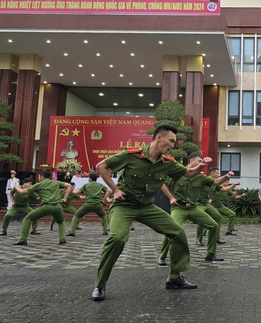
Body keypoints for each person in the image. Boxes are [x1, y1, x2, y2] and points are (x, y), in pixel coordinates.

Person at [92, 125, 212, 301]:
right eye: (171, 141)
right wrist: (115, 190)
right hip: (125, 205)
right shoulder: (131, 155)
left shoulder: (168, 163)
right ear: (159, 138)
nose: (173, 145)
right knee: (117, 239)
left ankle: (174, 278)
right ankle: (100, 285)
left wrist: (201, 166)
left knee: (177, 232)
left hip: (147, 207)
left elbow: (189, 173)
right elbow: (101, 166)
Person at [157, 153, 234, 264]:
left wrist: (226, 176)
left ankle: (211, 253)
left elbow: (216, 182)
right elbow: (162, 183)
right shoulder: (178, 172)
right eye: (199, 161)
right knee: (172, 229)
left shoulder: (201, 177)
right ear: (191, 161)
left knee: (213, 225)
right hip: (179, 208)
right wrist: (171, 197)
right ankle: (162, 256)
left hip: (193, 208)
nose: (201, 163)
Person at [11, 170, 73, 246]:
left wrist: (17, 188)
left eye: (39, 176)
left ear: (42, 177)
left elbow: (22, 192)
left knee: (28, 218)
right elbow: (69, 186)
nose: (38, 178)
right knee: (61, 222)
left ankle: (23, 239)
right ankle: (62, 239)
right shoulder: (56, 182)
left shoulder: (39, 185)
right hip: (58, 207)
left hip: (46, 207)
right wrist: (65, 198)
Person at [67, 173, 111, 237]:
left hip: (88, 204)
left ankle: (72, 231)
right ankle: (105, 231)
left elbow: (77, 192)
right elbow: (108, 191)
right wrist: (103, 199)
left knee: (76, 216)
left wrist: (74, 190)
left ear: (90, 178)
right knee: (104, 216)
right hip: (98, 205)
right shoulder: (100, 185)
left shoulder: (86, 185)